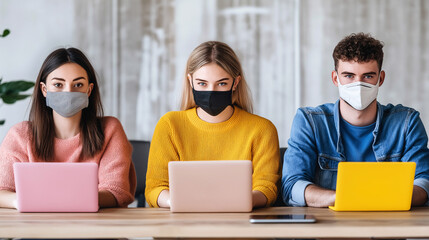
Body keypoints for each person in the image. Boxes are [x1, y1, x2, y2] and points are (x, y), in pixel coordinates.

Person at [282, 33, 429, 207]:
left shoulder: (406, 123)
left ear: (380, 79)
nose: (358, 84)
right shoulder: (309, 122)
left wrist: (362, 198)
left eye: (368, 76)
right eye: (349, 76)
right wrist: (346, 198)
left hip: (387, 229)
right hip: (327, 230)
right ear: (336, 78)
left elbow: (424, 183)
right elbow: (292, 186)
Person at [145, 41, 280, 208]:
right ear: (190, 81)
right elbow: (155, 187)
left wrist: (235, 202)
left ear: (235, 83)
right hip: (182, 227)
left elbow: (267, 187)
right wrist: (179, 202)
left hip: (242, 228)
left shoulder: (262, 129)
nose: (211, 91)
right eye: (202, 83)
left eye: (222, 83)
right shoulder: (170, 125)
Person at [0, 48, 136, 209]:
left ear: (89, 90)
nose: (68, 92)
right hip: (37, 230)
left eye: (78, 84)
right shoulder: (20, 135)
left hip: (95, 230)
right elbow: (2, 191)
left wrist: (51, 200)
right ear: (44, 90)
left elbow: (116, 192)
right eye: (58, 84)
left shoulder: (110, 130)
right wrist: (24, 201)